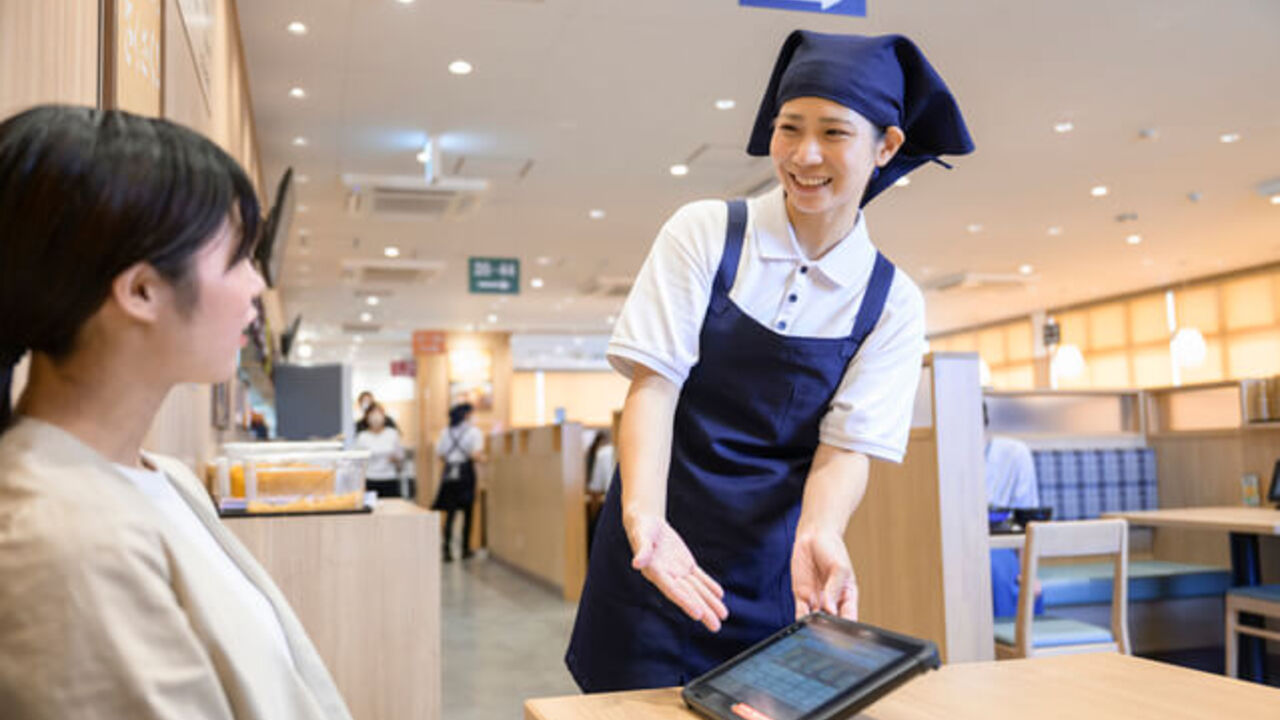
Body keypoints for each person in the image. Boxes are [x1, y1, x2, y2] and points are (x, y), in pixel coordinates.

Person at [565, 30, 974, 692]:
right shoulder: (704, 234)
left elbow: (845, 448)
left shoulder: (891, 302)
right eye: (789, 128)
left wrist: (822, 532)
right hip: (654, 554)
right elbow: (653, 388)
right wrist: (644, 522)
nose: (804, 155)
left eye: (835, 133)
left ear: (886, 147)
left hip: (774, 574)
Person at [0, 105, 351, 718]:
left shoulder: (166, 480)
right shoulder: (60, 541)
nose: (256, 288)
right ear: (141, 291)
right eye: (239, 259)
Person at [983, 402, 1044, 618]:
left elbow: (1027, 518)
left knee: (999, 571)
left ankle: (1015, 646)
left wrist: (1029, 572)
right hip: (955, 546)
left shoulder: (1014, 453)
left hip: (1001, 544)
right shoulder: (941, 455)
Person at [431, 403, 486, 562]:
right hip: (465, 472)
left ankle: (446, 549)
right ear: (467, 415)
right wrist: (486, 460)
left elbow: (440, 454)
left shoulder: (445, 432)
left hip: (449, 472)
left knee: (449, 512)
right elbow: (476, 455)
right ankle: (465, 549)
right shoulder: (474, 432)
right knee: (468, 511)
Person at [354, 403, 406, 497]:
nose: (375, 416)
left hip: (390, 479)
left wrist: (396, 460)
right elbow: (358, 464)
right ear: (366, 417)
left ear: (384, 415)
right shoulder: (362, 437)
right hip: (370, 480)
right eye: (372, 413)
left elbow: (400, 458)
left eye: (379, 412)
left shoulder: (392, 434)